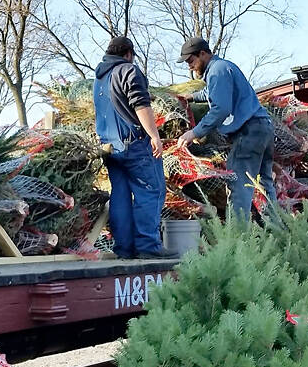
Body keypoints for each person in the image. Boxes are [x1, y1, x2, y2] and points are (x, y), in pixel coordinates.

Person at [93, 36, 177, 259]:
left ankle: (124, 249)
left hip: (109, 147)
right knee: (151, 191)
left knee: (120, 195)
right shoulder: (128, 71)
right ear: (128, 54)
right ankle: (148, 247)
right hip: (133, 144)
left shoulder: (99, 78)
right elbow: (141, 105)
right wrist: (154, 135)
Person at [175, 37, 276, 219]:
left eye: (191, 61)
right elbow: (212, 92)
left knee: (238, 185)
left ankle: (237, 239)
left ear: (203, 54)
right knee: (264, 185)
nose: (189, 66)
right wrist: (192, 97)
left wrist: (194, 132)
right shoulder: (223, 67)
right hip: (263, 128)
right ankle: (278, 232)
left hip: (248, 132)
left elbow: (221, 109)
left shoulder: (217, 71)